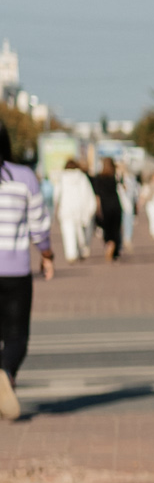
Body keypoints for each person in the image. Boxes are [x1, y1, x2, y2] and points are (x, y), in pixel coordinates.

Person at [0, 137, 53, 421]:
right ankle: (5, 372)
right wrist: (47, 254)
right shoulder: (24, 177)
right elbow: (39, 225)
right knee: (17, 335)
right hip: (15, 271)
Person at [51, 159, 94, 263]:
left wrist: (56, 208)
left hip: (66, 209)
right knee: (80, 232)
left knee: (68, 232)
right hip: (79, 209)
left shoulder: (62, 178)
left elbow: (56, 195)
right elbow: (88, 194)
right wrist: (89, 209)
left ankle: (71, 254)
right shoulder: (82, 177)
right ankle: (82, 249)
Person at [89, 159, 124, 261]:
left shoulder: (99, 178)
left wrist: (98, 208)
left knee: (107, 228)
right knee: (116, 229)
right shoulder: (114, 177)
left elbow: (97, 196)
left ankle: (109, 243)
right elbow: (123, 186)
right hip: (116, 205)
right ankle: (115, 250)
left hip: (105, 206)